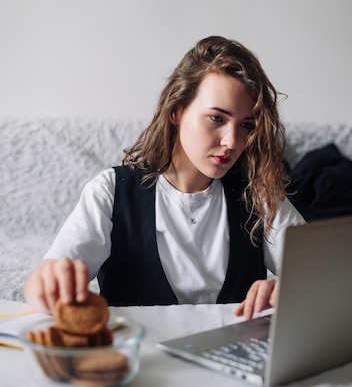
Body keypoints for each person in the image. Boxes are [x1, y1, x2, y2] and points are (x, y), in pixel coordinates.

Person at [24, 36, 304, 319]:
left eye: (246, 125)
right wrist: (45, 283)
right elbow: (43, 284)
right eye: (217, 118)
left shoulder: (258, 195)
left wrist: (291, 290)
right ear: (176, 111)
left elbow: (329, 277)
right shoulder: (111, 192)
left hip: (234, 362)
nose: (232, 141)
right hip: (139, 360)